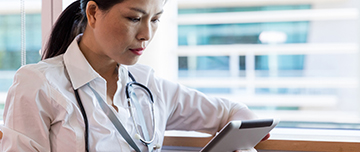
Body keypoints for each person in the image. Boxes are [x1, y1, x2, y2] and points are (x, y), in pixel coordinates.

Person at [1, 0, 269, 151]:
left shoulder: (148, 85)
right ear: (94, 13)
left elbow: (233, 112)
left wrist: (242, 144)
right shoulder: (38, 83)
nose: (146, 35)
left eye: (155, 20)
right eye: (134, 18)